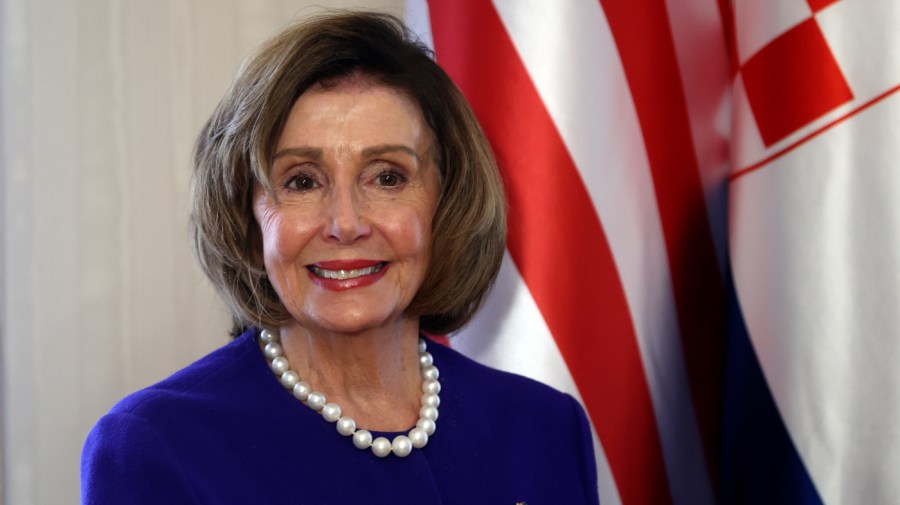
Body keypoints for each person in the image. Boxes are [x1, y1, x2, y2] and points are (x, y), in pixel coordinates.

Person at [81, 11, 599, 504]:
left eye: (388, 177)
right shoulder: (157, 448)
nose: (345, 224)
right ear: (248, 212)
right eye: (302, 181)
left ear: (448, 201)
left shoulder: (545, 429)